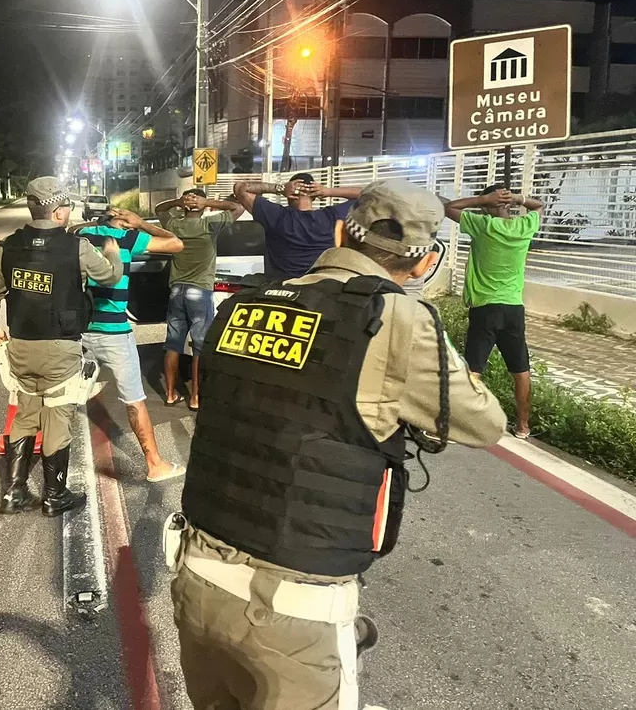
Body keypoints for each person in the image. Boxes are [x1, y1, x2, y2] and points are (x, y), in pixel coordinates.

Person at [166, 179, 507, 710]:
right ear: (424, 262)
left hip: (197, 580)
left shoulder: (246, 305)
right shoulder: (397, 320)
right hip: (293, 611)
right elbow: (484, 424)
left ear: (343, 231)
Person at [0, 177, 123, 517]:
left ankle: (14, 492)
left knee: (27, 411)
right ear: (59, 212)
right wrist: (112, 250)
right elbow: (110, 276)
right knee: (58, 415)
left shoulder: (6, 246)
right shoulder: (77, 247)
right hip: (60, 348)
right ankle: (55, 496)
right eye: (68, 208)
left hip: (21, 347)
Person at [73, 206, 187, 483]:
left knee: (63, 393)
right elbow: (176, 243)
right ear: (121, 220)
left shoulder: (81, 235)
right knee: (134, 399)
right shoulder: (127, 238)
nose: (133, 225)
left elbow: (74, 229)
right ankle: (155, 464)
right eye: (129, 221)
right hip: (114, 332)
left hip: (79, 328)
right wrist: (142, 223)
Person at [445, 185, 544, 439]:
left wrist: (483, 199)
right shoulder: (525, 227)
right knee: (521, 369)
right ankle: (523, 427)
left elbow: (449, 208)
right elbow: (539, 206)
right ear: (509, 205)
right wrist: (519, 198)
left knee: (474, 368)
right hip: (513, 308)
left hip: (485, 308)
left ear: (486, 207)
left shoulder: (483, 226)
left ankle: (461, 424)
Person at [154, 188, 245, 411]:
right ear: (201, 206)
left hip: (177, 291)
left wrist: (179, 201)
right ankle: (195, 397)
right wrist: (206, 201)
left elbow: (159, 209)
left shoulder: (174, 225)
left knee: (173, 345)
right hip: (200, 292)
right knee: (199, 347)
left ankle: (169, 394)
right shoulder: (209, 225)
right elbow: (238, 207)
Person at [233, 172, 363, 279]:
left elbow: (240, 188)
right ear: (315, 196)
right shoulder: (331, 218)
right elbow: (368, 194)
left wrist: (279, 188)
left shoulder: (277, 216)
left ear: (289, 195)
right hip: (319, 294)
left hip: (280, 294)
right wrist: (328, 191)